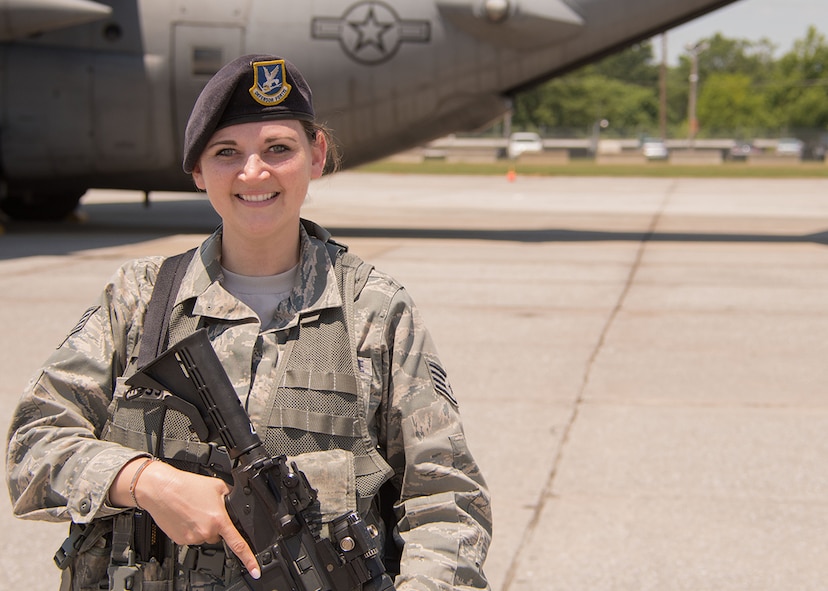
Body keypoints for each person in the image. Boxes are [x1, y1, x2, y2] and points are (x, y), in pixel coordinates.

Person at [5, 54, 492, 591]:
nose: (253, 172)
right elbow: (33, 446)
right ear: (197, 170)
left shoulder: (376, 313)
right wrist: (145, 482)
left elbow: (446, 500)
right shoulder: (140, 301)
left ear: (316, 156)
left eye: (278, 149)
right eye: (226, 152)